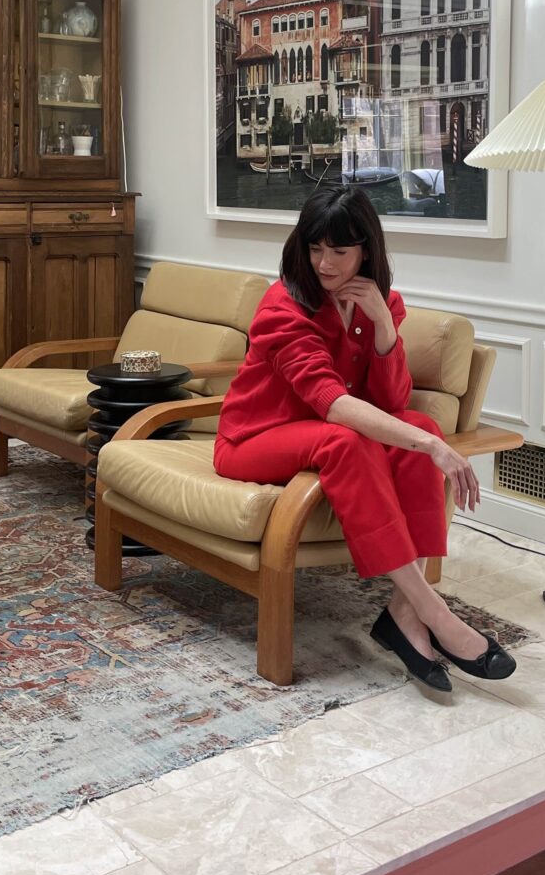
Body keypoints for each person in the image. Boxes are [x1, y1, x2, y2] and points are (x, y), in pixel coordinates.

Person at [215, 185, 516, 691]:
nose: (325, 263)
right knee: (351, 440)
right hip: (255, 438)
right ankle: (435, 613)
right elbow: (332, 404)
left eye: (339, 250)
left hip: (323, 430)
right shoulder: (282, 307)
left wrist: (383, 326)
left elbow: (393, 398)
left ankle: (402, 616)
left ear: (365, 251)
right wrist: (436, 450)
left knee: (419, 426)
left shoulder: (382, 303)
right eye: (314, 248)